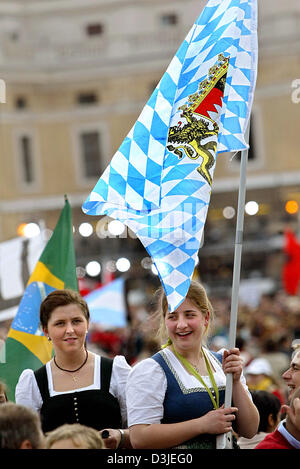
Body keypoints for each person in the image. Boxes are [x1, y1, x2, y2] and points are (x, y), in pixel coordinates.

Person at [126, 281, 259, 449]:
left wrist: (236, 381)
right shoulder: (151, 370)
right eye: (173, 316)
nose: (181, 324)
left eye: (189, 315)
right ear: (165, 321)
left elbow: (250, 429)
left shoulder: (223, 362)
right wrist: (202, 424)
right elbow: (140, 438)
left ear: (206, 318)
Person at [15, 289, 131, 449]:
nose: (70, 330)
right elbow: (28, 442)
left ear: (87, 324)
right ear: (46, 330)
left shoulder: (116, 370)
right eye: (60, 323)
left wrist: (121, 435)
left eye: (76, 321)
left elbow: (140, 431)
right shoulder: (33, 382)